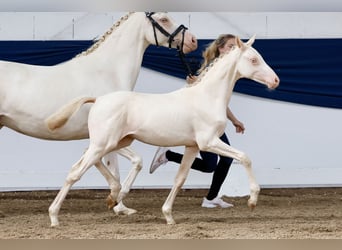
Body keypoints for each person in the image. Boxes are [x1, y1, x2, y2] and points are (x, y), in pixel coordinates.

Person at [149, 34, 245, 208]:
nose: (234, 49)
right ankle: (168, 155)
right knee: (211, 165)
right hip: (202, 124)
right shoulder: (210, 71)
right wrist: (193, 83)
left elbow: (220, 104)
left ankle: (211, 198)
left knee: (224, 160)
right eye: (231, 46)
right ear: (220, 48)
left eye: (236, 46)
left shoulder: (225, 72)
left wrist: (234, 120)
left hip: (212, 124)